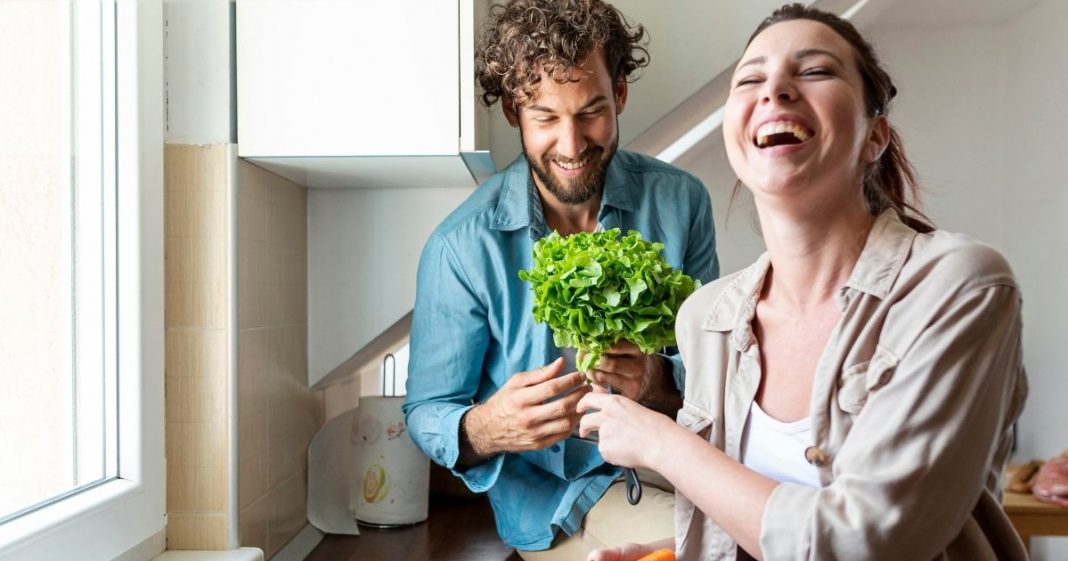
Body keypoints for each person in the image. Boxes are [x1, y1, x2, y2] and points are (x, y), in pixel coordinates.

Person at [578, 4, 1029, 560]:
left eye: (815, 71)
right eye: (749, 79)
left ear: (874, 137)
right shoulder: (707, 318)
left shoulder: (959, 287)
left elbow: (864, 543)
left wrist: (661, 443)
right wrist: (673, 550)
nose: (776, 89)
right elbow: (759, 514)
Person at [402, 0, 719, 558]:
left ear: (619, 95)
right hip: (549, 507)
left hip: (673, 466)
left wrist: (659, 383)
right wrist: (487, 427)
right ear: (512, 110)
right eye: (546, 117)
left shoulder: (681, 202)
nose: (572, 146)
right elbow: (429, 410)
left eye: (591, 111)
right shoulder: (460, 246)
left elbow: (714, 370)